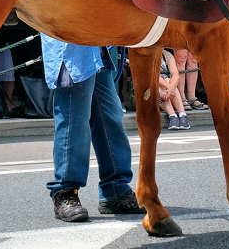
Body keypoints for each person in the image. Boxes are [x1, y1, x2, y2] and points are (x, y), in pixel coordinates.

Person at [40, 36, 144, 222]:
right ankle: (64, 191)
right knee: (74, 118)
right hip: (68, 40)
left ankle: (115, 189)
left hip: (96, 42)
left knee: (110, 116)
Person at [158, 48, 188, 130]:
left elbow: (175, 74)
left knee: (169, 80)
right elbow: (154, 77)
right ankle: (172, 115)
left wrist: (170, 88)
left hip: (167, 88)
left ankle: (182, 115)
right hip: (151, 88)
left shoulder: (167, 55)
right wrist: (169, 87)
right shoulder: (147, 56)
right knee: (162, 84)